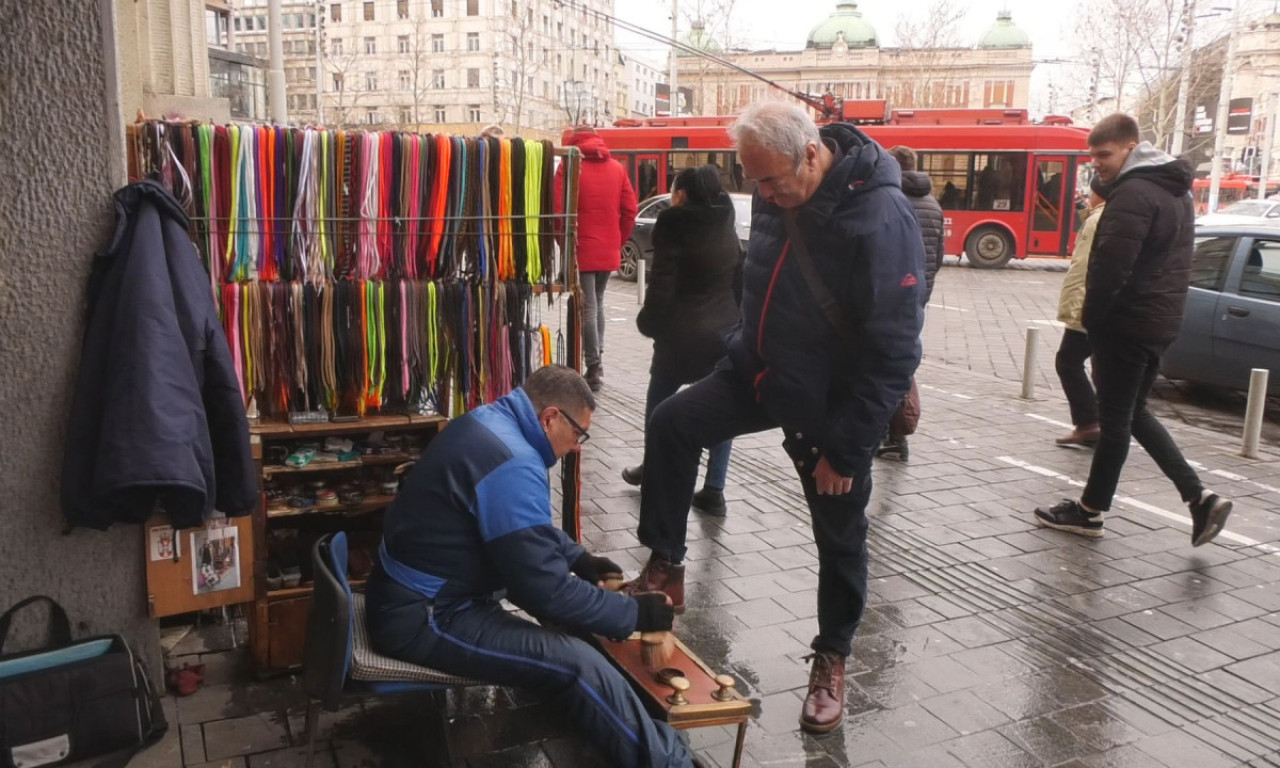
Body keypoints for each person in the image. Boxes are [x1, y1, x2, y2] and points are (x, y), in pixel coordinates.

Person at [624, 101, 924, 734]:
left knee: (839, 535)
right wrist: (740, 346)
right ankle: (667, 567)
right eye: (750, 179)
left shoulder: (878, 215)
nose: (758, 193)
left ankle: (833, 658)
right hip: (756, 370)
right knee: (673, 423)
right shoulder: (772, 189)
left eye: (766, 180)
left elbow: (894, 350)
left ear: (810, 155)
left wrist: (845, 450)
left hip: (829, 403)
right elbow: (758, 279)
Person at [366, 366, 693, 768]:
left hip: (417, 596)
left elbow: (520, 532)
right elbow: (543, 590)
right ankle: (667, 761)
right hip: (424, 616)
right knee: (577, 662)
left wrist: (578, 558)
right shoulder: (514, 461)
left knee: (571, 627)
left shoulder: (488, 422)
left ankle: (602, 720)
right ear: (550, 417)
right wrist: (634, 613)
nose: (577, 447)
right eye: (578, 434)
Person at [1033, 113, 1233, 548]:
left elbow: (1110, 270)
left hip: (1127, 325)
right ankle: (1199, 497)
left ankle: (1089, 512)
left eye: (1103, 155)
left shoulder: (1133, 193)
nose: (1097, 164)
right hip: (1160, 321)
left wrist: (1096, 323)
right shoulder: (1174, 191)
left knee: (1115, 422)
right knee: (1133, 413)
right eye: (1092, 156)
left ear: (1129, 147)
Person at [621, 166, 743, 516]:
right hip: (722, 332)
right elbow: (740, 275)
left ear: (683, 194)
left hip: (680, 334)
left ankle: (652, 470)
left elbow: (662, 286)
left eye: (675, 190)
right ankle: (714, 490)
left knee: (659, 402)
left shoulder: (673, 225)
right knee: (722, 410)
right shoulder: (726, 221)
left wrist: (650, 323)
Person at [554, 128, 639, 392]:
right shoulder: (617, 168)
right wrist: (618, 239)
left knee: (587, 307)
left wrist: (563, 244)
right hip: (608, 247)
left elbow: (558, 212)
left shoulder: (569, 167)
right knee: (597, 303)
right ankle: (597, 357)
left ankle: (593, 364)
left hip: (581, 247)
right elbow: (630, 209)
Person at [877, 145, 945, 462]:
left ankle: (894, 436)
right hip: (920, 291)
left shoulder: (891, 200)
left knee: (889, 362)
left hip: (896, 292)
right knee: (902, 359)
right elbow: (939, 255)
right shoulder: (932, 202)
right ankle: (894, 435)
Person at [1053, 176, 1108, 448]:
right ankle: (1098, 423)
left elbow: (1083, 269)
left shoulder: (1097, 220)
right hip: (1099, 307)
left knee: (1067, 361)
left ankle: (1088, 424)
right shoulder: (1108, 217)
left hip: (1087, 307)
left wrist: (1076, 310)